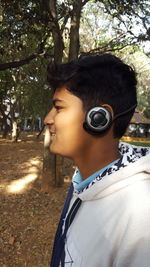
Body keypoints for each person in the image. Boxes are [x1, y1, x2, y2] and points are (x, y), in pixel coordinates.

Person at [44, 53, 150, 267]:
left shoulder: (140, 218)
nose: (48, 119)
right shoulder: (84, 180)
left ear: (99, 118)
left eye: (59, 108)